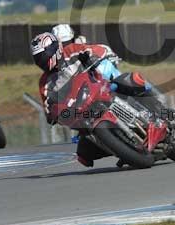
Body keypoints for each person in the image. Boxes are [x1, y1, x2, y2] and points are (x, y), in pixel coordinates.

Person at [32, 32, 165, 167]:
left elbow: (98, 49)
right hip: (81, 112)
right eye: (38, 58)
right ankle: (126, 150)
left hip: (100, 86)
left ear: (55, 48)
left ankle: (158, 110)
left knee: (128, 81)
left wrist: (95, 56)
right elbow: (48, 106)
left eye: (43, 55)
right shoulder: (45, 82)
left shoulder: (71, 51)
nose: (42, 60)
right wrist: (52, 114)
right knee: (83, 154)